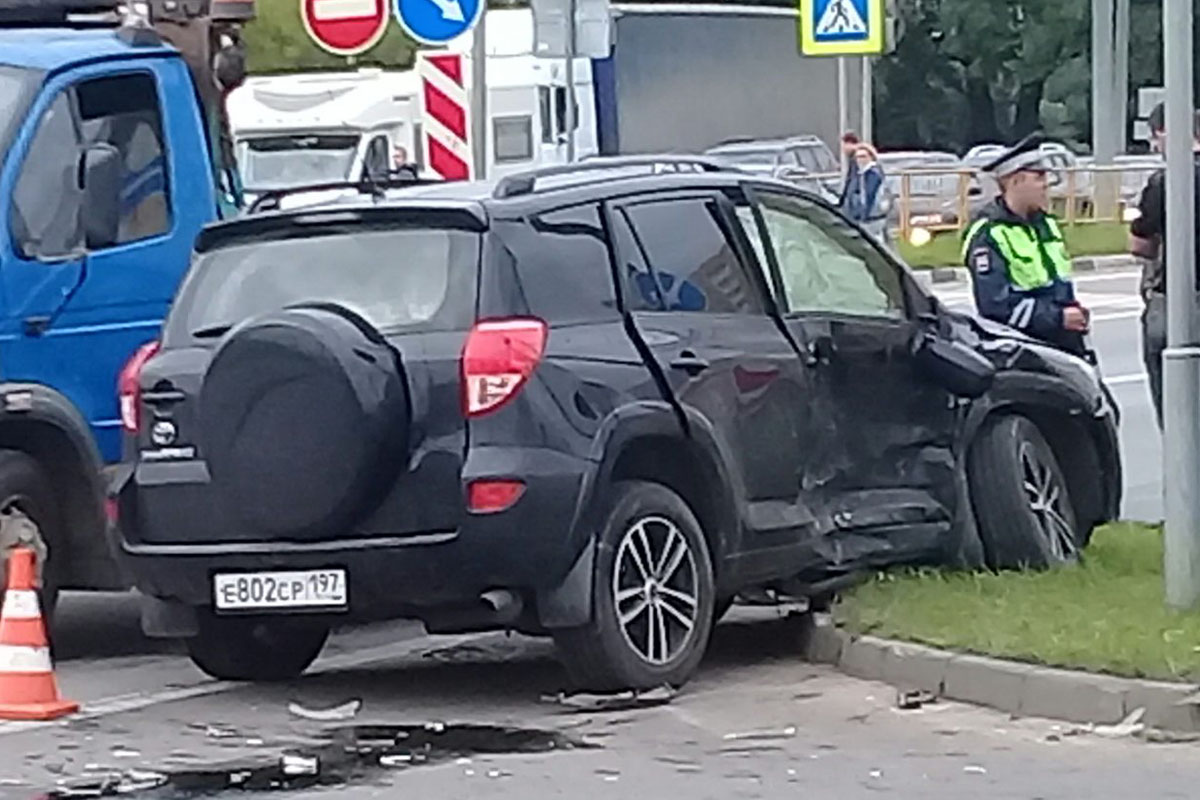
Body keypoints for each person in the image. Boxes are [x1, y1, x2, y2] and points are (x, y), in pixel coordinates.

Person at [961, 134, 1092, 358]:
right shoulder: (988, 233)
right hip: (1023, 351)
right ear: (1016, 180)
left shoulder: (1046, 224)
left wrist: (1074, 312)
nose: (1046, 185)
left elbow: (1057, 283)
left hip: (1065, 345)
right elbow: (995, 307)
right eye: (1039, 177)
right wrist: (1059, 318)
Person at [1128, 102, 1200, 429]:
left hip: (1178, 303)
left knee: (1176, 413)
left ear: (1163, 133)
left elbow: (1141, 245)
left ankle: (1183, 474)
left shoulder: (1165, 182)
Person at [843, 144, 889, 242]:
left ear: (871, 157)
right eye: (858, 157)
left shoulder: (873, 174)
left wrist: (863, 216)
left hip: (872, 218)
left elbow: (869, 196)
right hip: (862, 218)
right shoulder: (859, 174)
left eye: (863, 156)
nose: (860, 160)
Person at [837, 131, 861, 211]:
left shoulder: (859, 161)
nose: (843, 149)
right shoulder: (853, 161)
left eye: (844, 145)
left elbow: (854, 184)